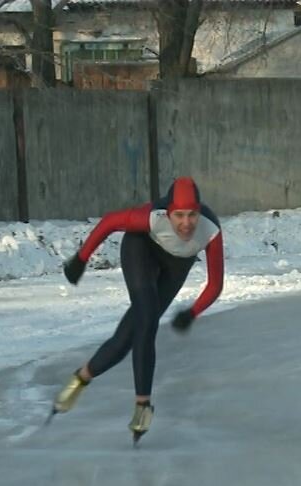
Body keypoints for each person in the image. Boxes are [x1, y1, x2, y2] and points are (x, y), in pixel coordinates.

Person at [51, 177, 224, 442]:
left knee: (127, 338)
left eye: (192, 215)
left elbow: (215, 284)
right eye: (179, 215)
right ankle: (143, 405)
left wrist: (192, 313)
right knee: (147, 320)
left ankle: (81, 378)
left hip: (176, 266)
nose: (186, 223)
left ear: (199, 212)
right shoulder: (152, 218)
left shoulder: (210, 229)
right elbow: (110, 222)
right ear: (168, 213)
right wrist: (81, 259)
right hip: (141, 249)